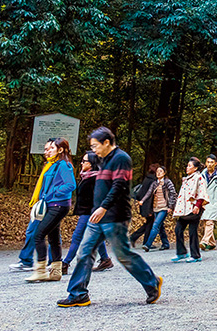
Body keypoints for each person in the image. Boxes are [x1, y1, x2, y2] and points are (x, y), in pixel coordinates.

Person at [58, 126, 161, 308]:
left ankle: (152, 282)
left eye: (95, 145)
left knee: (123, 255)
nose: (94, 150)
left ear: (107, 143)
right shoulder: (103, 159)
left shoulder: (122, 158)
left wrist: (104, 207)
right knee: (84, 252)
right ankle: (78, 293)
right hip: (97, 216)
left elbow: (119, 185)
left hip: (115, 216)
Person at [26, 138, 76, 282]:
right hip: (50, 204)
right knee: (54, 238)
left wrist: (54, 191)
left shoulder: (63, 165)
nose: (48, 151)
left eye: (52, 148)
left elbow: (71, 185)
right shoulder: (51, 165)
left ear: (60, 150)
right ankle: (56, 272)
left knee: (38, 234)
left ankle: (40, 270)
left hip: (58, 205)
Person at [63, 152, 112, 274]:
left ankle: (65, 263)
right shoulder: (87, 176)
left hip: (91, 212)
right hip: (88, 211)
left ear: (91, 164)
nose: (81, 163)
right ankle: (105, 259)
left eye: (84, 161)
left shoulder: (96, 179)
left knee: (77, 237)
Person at [171, 157, 207, 263]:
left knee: (192, 231)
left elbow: (202, 192)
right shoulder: (187, 179)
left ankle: (195, 255)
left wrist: (198, 205)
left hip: (194, 208)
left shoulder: (198, 178)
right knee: (178, 229)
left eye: (189, 166)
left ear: (195, 168)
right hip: (185, 209)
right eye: (187, 165)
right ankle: (181, 252)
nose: (187, 168)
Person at [138, 165, 175, 251]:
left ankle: (148, 244)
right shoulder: (154, 183)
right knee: (160, 226)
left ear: (164, 173)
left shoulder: (167, 182)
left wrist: (170, 206)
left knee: (155, 225)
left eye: (161, 171)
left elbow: (173, 193)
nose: (158, 173)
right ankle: (165, 244)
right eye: (157, 171)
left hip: (164, 207)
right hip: (156, 208)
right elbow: (148, 193)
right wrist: (142, 201)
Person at [129, 164, 159, 247]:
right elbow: (149, 195)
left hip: (144, 204)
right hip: (147, 205)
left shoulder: (147, 178)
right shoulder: (152, 180)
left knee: (149, 223)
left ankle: (137, 238)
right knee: (149, 223)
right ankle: (142, 241)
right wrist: (149, 209)